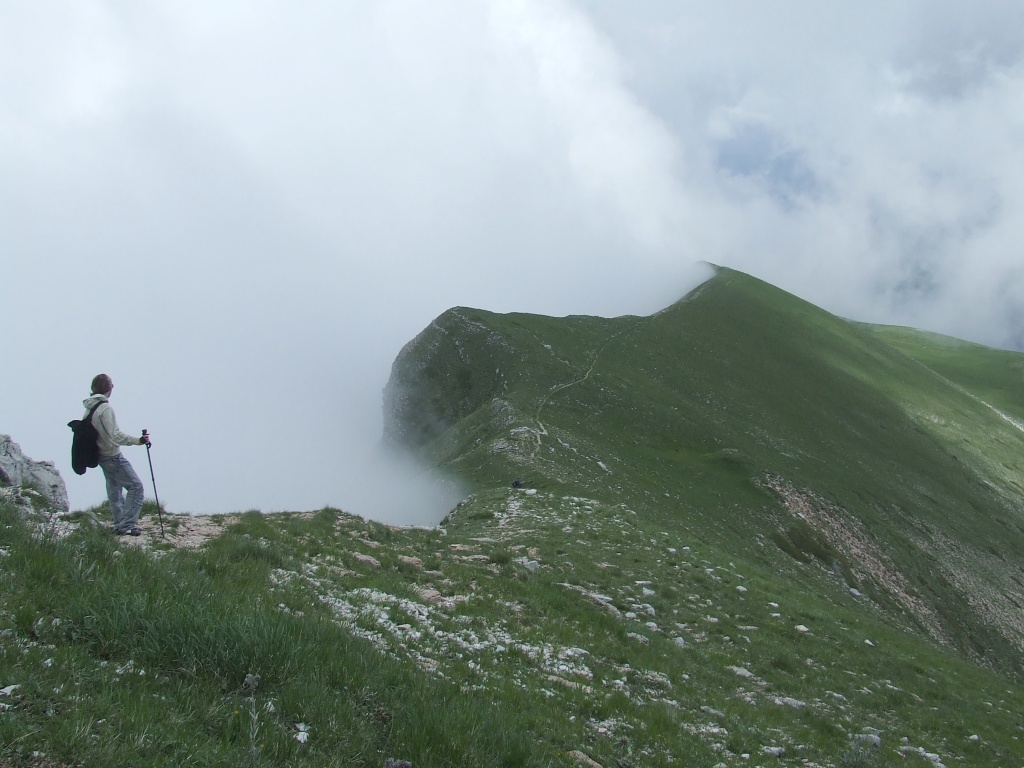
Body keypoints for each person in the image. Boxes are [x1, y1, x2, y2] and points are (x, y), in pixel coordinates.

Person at [82, 374, 151, 536]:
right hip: (112, 454)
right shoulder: (105, 408)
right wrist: (139, 440)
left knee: (114, 489)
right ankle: (127, 523)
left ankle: (119, 523)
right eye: (111, 384)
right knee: (136, 486)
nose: (113, 387)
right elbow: (115, 435)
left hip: (100, 455)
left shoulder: (89, 407)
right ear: (107, 388)